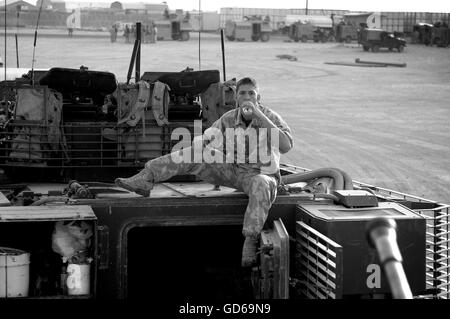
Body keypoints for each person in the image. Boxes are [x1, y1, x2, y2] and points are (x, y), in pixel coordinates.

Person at [115, 77, 293, 267]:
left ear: (259, 97)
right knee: (197, 152)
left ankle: (250, 240)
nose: (247, 97)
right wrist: (199, 150)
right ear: (236, 98)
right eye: (242, 93)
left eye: (251, 93)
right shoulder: (229, 118)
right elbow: (205, 140)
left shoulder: (271, 117)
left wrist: (259, 115)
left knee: (260, 182)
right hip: (235, 171)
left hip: (262, 175)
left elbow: (286, 146)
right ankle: (146, 177)